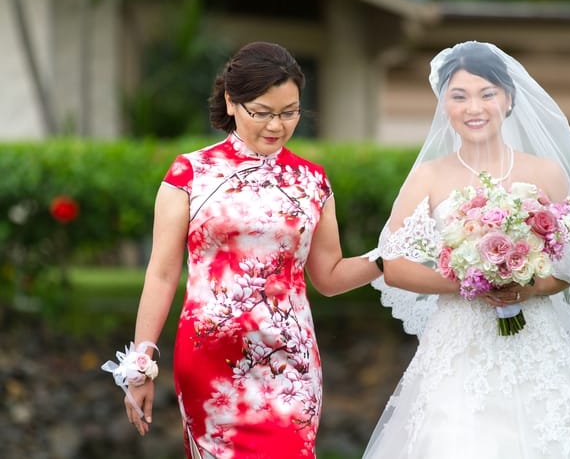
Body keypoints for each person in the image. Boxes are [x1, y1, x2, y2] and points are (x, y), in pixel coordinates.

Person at [104, 41, 382, 458]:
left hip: (292, 367)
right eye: (263, 112)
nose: (277, 126)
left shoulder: (313, 182)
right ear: (232, 103)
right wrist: (139, 364)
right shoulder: (190, 174)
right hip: (211, 366)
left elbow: (329, 276)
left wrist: (386, 259)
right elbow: (161, 274)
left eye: (290, 113)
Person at [363, 41, 570, 458]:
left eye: (487, 94)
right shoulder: (427, 178)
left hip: (536, 342)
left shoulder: (546, 173)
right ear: (444, 105)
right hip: (459, 345)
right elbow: (393, 265)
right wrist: (466, 281)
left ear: (508, 99)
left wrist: (531, 287)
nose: (474, 107)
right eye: (459, 96)